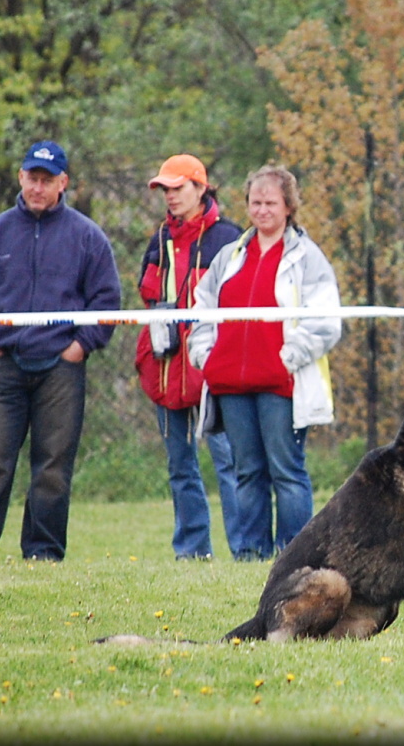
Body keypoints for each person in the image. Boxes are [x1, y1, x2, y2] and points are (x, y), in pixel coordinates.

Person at [0, 140, 122, 562]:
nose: (38, 187)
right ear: (21, 178)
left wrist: (79, 349)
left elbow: (106, 302)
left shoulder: (87, 237)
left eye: (47, 180)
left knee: (52, 469)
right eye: (32, 178)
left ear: (63, 183)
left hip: (61, 369)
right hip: (4, 367)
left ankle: (43, 552)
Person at [187, 164, 341, 561]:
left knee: (286, 472)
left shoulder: (308, 258)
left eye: (271, 202)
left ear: (288, 206)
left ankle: (295, 556)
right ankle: (248, 555)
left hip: (281, 386)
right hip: (231, 387)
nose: (262, 210)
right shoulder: (229, 256)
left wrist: (286, 358)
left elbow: (326, 322)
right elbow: (201, 310)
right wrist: (206, 356)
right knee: (246, 473)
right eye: (255, 202)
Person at [135, 154, 243, 561]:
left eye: (177, 188)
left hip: (212, 371)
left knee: (229, 464)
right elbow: (149, 297)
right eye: (165, 189)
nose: (170, 196)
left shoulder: (228, 239)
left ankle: (245, 550)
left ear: (201, 188)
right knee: (181, 467)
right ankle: (191, 551)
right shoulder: (158, 239)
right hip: (165, 370)